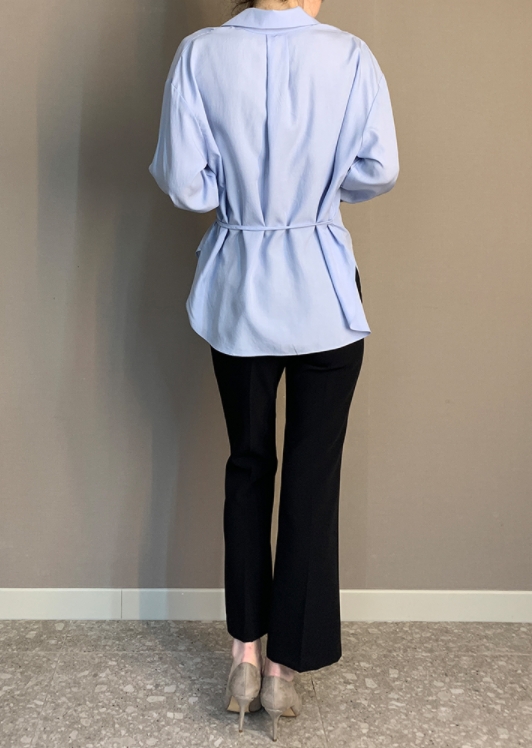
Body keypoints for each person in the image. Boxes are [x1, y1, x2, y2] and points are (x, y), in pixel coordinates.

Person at [148, 0, 399, 740]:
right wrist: (316, 192)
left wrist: (238, 198)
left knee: (248, 465)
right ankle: (285, 669)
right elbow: (379, 169)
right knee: (313, 477)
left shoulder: (200, 54)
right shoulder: (348, 55)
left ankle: (244, 658)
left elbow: (188, 186)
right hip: (322, 286)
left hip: (240, 289)